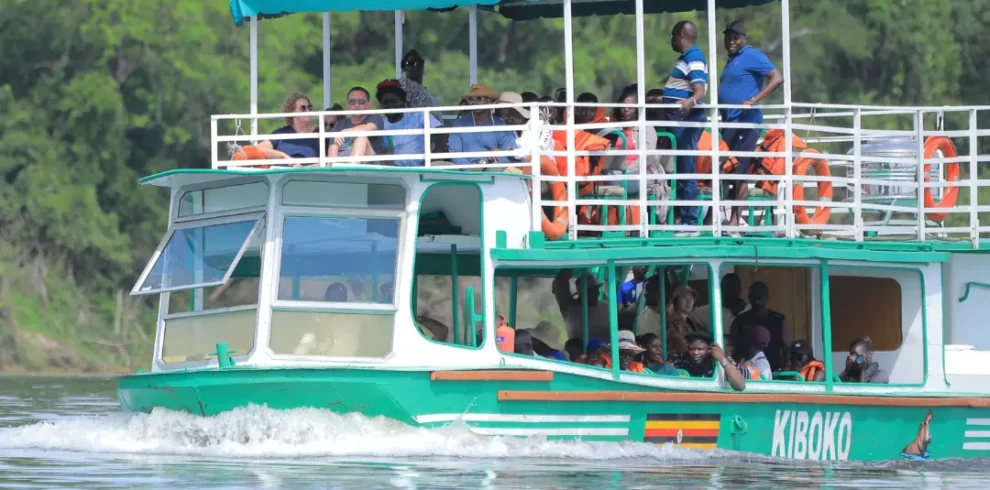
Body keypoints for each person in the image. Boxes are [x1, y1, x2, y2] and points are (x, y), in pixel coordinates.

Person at [718, 21, 784, 227]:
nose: (731, 40)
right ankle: (725, 218)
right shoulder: (733, 60)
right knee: (723, 169)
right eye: (728, 36)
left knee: (739, 171)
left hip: (745, 124)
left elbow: (777, 77)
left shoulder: (752, 55)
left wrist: (753, 100)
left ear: (744, 38)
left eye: (736, 37)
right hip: (730, 123)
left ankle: (735, 222)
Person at [661, 20, 708, 233]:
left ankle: (690, 221)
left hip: (687, 121)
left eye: (672, 36)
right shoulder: (686, 58)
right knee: (681, 167)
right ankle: (684, 218)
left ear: (681, 35)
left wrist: (689, 102)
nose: (671, 40)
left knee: (686, 167)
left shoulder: (694, 57)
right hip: (679, 120)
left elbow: (700, 90)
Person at [375, 79, 443, 167]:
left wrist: (434, 156)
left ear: (403, 101)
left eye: (393, 102)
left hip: (419, 169)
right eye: (385, 102)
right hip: (391, 171)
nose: (390, 105)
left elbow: (442, 132)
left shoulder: (419, 115)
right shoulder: (379, 123)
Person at [448, 84, 518, 165]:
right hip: (468, 173)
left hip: (495, 170)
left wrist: (498, 154)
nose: (475, 102)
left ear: (490, 101)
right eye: (471, 99)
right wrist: (470, 170)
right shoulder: (458, 124)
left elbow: (512, 154)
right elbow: (455, 154)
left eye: (479, 99)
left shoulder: (500, 125)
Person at [730, 281, 790, 371]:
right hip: (746, 371)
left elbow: (786, 348)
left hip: (774, 371)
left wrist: (786, 370)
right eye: (753, 295)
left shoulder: (779, 319)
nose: (757, 299)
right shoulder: (740, 320)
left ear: (767, 297)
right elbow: (733, 348)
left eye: (760, 295)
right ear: (749, 298)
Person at [251, 92, 321, 161]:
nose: (308, 111)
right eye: (303, 108)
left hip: (309, 171)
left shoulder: (320, 133)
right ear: (292, 111)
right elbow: (260, 148)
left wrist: (302, 168)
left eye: (309, 108)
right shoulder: (282, 132)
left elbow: (328, 159)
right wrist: (284, 156)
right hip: (283, 171)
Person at [328, 86, 387, 161]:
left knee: (361, 137)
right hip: (342, 164)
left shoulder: (375, 118)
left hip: (370, 164)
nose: (356, 105)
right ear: (347, 105)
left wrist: (347, 132)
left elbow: (366, 128)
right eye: (352, 102)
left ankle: (351, 169)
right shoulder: (339, 125)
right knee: (334, 146)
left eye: (361, 101)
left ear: (369, 105)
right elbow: (333, 148)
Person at [552, 269, 611, 342]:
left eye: (597, 289)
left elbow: (559, 284)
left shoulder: (606, 307)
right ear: (584, 293)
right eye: (594, 290)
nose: (598, 292)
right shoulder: (571, 310)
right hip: (578, 351)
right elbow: (559, 284)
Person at [674, 333, 746, 391]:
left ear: (709, 349)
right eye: (692, 349)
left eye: (700, 349)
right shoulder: (682, 359)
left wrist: (722, 359)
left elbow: (740, 386)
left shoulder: (721, 361)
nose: (695, 353)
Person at [691, 273, 747, 337]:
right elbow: (688, 317)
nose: (732, 292)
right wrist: (709, 335)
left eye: (735, 288)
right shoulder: (709, 310)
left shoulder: (746, 310)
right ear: (721, 289)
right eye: (729, 288)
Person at [666, 284, 707, 357]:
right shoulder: (674, 321)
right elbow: (683, 344)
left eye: (691, 298)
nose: (689, 302)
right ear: (676, 300)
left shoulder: (692, 319)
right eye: (684, 298)